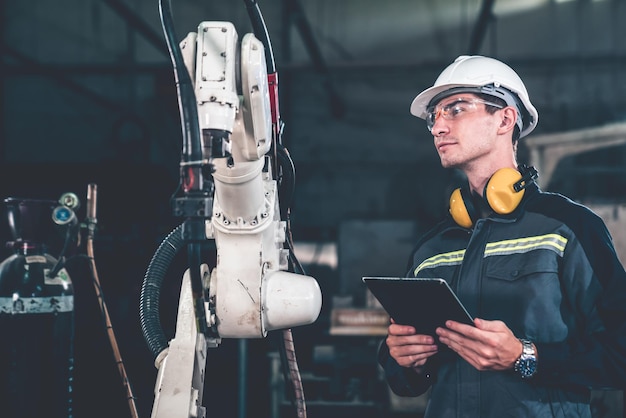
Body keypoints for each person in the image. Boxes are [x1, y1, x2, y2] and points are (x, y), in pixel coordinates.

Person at [377, 55, 626, 417]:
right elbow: (404, 379)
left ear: (505, 119)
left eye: (455, 109)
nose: (437, 128)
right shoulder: (432, 247)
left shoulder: (568, 228)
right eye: (435, 117)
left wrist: (526, 356)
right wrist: (405, 360)